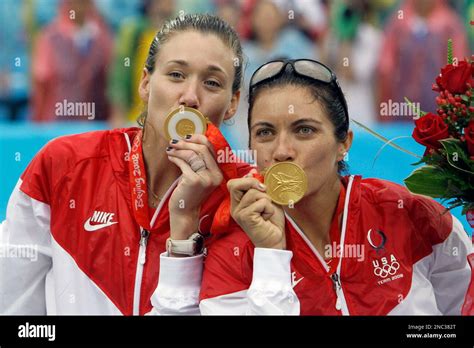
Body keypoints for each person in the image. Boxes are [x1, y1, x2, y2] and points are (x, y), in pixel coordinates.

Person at [156, 59, 473, 315]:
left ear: (343, 144)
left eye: (303, 130)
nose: (281, 151)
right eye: (265, 133)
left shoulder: (409, 215)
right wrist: (270, 254)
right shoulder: (234, 251)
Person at [0, 14, 249, 315]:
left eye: (212, 83)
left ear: (233, 102)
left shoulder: (241, 201)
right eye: (176, 75)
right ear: (145, 83)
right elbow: (13, 304)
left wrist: (185, 228)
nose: (190, 97)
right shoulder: (63, 166)